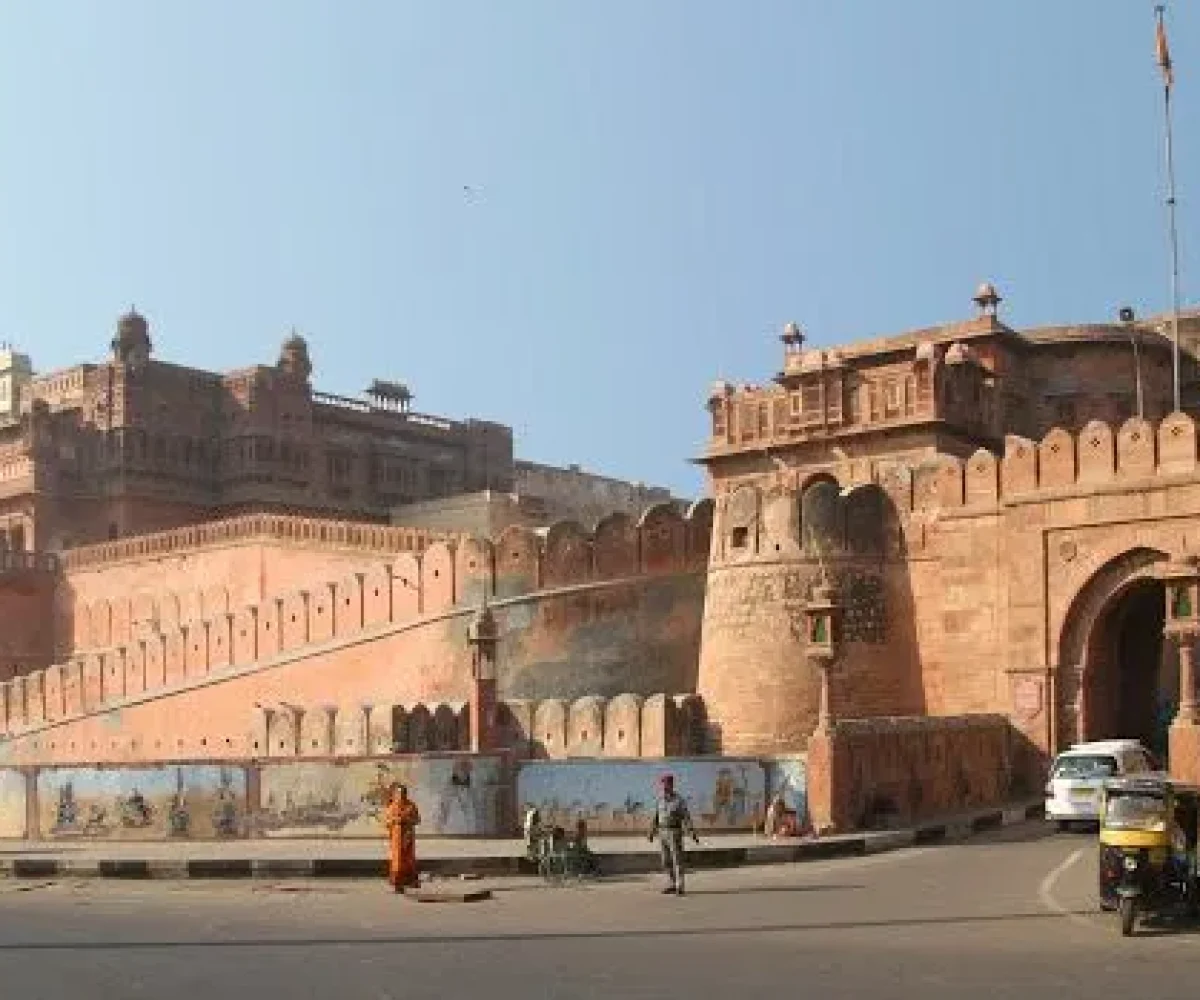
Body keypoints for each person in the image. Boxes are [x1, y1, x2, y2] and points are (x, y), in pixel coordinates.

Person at [648, 774, 699, 895]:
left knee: (677, 860)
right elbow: (656, 816)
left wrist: (691, 831)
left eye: (666, 784)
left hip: (674, 832)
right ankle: (671, 883)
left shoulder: (679, 800)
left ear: (671, 785)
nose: (664, 787)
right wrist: (651, 831)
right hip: (662, 832)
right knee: (665, 860)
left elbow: (686, 817)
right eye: (663, 785)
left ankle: (680, 886)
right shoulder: (660, 800)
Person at [384, 783, 421, 892]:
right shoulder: (391, 807)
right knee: (398, 860)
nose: (401, 795)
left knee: (409, 859)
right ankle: (397, 883)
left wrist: (408, 820)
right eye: (399, 793)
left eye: (403, 793)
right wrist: (395, 821)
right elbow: (386, 822)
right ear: (395, 794)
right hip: (396, 838)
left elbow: (417, 820)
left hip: (408, 836)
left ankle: (410, 881)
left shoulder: (411, 806)